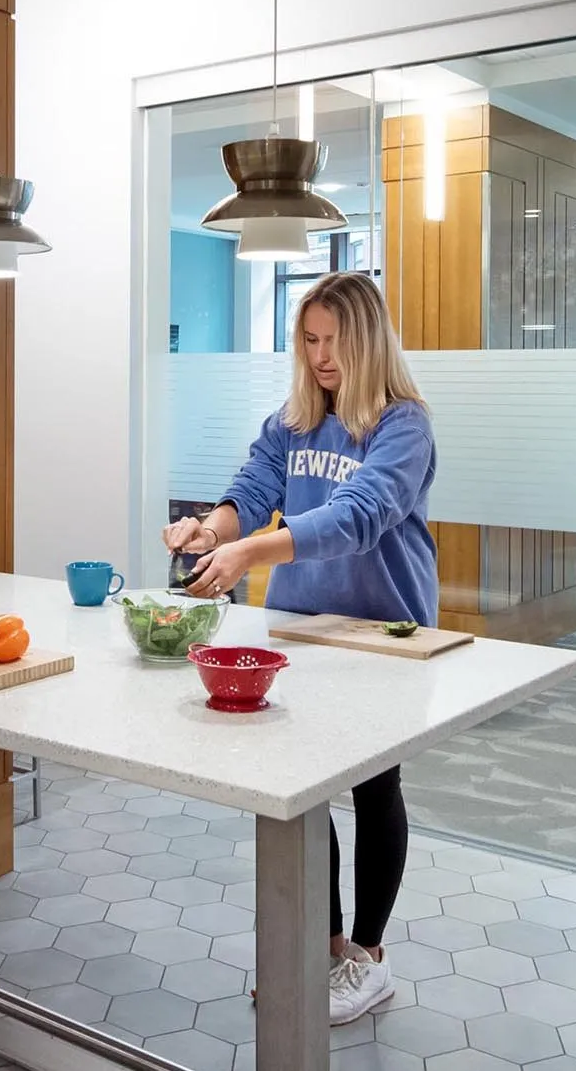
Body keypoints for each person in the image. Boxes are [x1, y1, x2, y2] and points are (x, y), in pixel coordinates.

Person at [164, 271, 435, 1026]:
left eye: (336, 342)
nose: (322, 356)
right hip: (301, 628)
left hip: (385, 633)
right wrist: (212, 530)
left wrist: (251, 551)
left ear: (368, 341)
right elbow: (252, 485)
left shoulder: (403, 424)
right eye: (310, 340)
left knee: (374, 789)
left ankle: (369, 959)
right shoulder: (292, 420)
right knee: (305, 790)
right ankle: (323, 942)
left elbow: (360, 514)